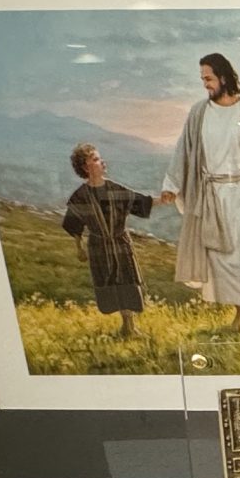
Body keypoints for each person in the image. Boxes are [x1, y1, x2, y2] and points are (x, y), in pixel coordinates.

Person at [155, 51, 240, 334]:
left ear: (224, 77)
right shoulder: (199, 113)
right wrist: (172, 185)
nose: (205, 84)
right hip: (213, 199)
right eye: (202, 79)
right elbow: (184, 150)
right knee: (224, 261)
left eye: (208, 78)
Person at [57, 144, 155, 338]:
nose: (101, 162)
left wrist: (165, 199)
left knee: (127, 281)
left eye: (99, 159)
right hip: (98, 247)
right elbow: (73, 223)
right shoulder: (80, 197)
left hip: (120, 244)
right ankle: (125, 327)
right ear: (85, 167)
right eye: (95, 159)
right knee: (110, 284)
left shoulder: (114, 189)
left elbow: (139, 202)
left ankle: (130, 327)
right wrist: (79, 248)